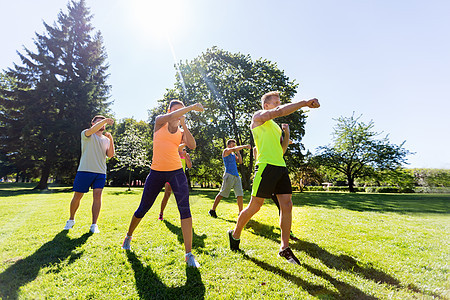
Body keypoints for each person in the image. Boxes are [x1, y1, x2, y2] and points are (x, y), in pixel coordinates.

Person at [228, 91, 319, 264]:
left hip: (280, 167)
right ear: (266, 105)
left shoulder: (275, 127)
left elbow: (282, 149)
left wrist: (286, 133)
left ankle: (284, 248)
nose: (278, 105)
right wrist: (304, 102)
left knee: (287, 205)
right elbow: (278, 112)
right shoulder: (258, 118)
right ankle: (235, 233)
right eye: (275, 102)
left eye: (279, 102)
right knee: (255, 206)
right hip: (266, 167)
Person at [121, 100, 204, 268]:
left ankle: (189, 254)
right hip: (156, 172)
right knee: (143, 207)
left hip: (176, 172)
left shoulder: (181, 131)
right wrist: (192, 107)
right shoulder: (160, 122)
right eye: (176, 110)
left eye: (182, 111)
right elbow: (172, 116)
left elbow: (192, 145)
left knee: (185, 209)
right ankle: (129, 236)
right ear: (169, 110)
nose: (179, 114)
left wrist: (184, 125)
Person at [63, 115, 115, 233]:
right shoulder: (87, 134)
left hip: (100, 172)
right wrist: (105, 120)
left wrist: (111, 139)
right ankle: (71, 220)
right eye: (99, 122)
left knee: (97, 197)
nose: (102, 124)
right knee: (78, 196)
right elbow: (92, 130)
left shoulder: (106, 139)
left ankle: (94, 225)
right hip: (84, 170)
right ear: (92, 123)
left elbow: (110, 155)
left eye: (103, 123)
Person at [253, 144, 299, 241]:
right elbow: (255, 150)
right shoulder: (261, 144)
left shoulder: (275, 145)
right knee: (255, 205)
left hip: (278, 174)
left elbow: (285, 143)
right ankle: (238, 228)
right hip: (266, 173)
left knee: (283, 206)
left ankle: (287, 232)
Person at [208, 140, 251, 218]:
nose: (234, 146)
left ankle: (240, 213)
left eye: (235, 145)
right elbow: (234, 149)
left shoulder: (233, 154)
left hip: (236, 176)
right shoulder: (226, 151)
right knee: (222, 193)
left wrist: (238, 152)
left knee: (240, 194)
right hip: (229, 175)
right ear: (228, 145)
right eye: (232, 145)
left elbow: (240, 161)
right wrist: (245, 146)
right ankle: (212, 210)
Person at [158, 143, 192, 221]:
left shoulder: (186, 155)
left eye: (184, 149)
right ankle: (161, 213)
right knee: (166, 196)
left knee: (182, 198)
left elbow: (189, 166)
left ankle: (184, 217)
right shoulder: (174, 153)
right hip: (170, 178)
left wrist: (186, 156)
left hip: (180, 179)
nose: (183, 150)